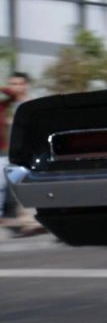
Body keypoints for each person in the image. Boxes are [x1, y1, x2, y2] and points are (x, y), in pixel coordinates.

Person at [0, 72, 40, 235]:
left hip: (25, 153)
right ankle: (25, 221)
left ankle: (29, 222)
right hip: (7, 152)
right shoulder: (7, 104)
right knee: (5, 186)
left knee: (23, 186)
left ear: (25, 85)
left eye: (18, 84)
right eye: (12, 84)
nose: (15, 87)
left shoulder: (30, 105)